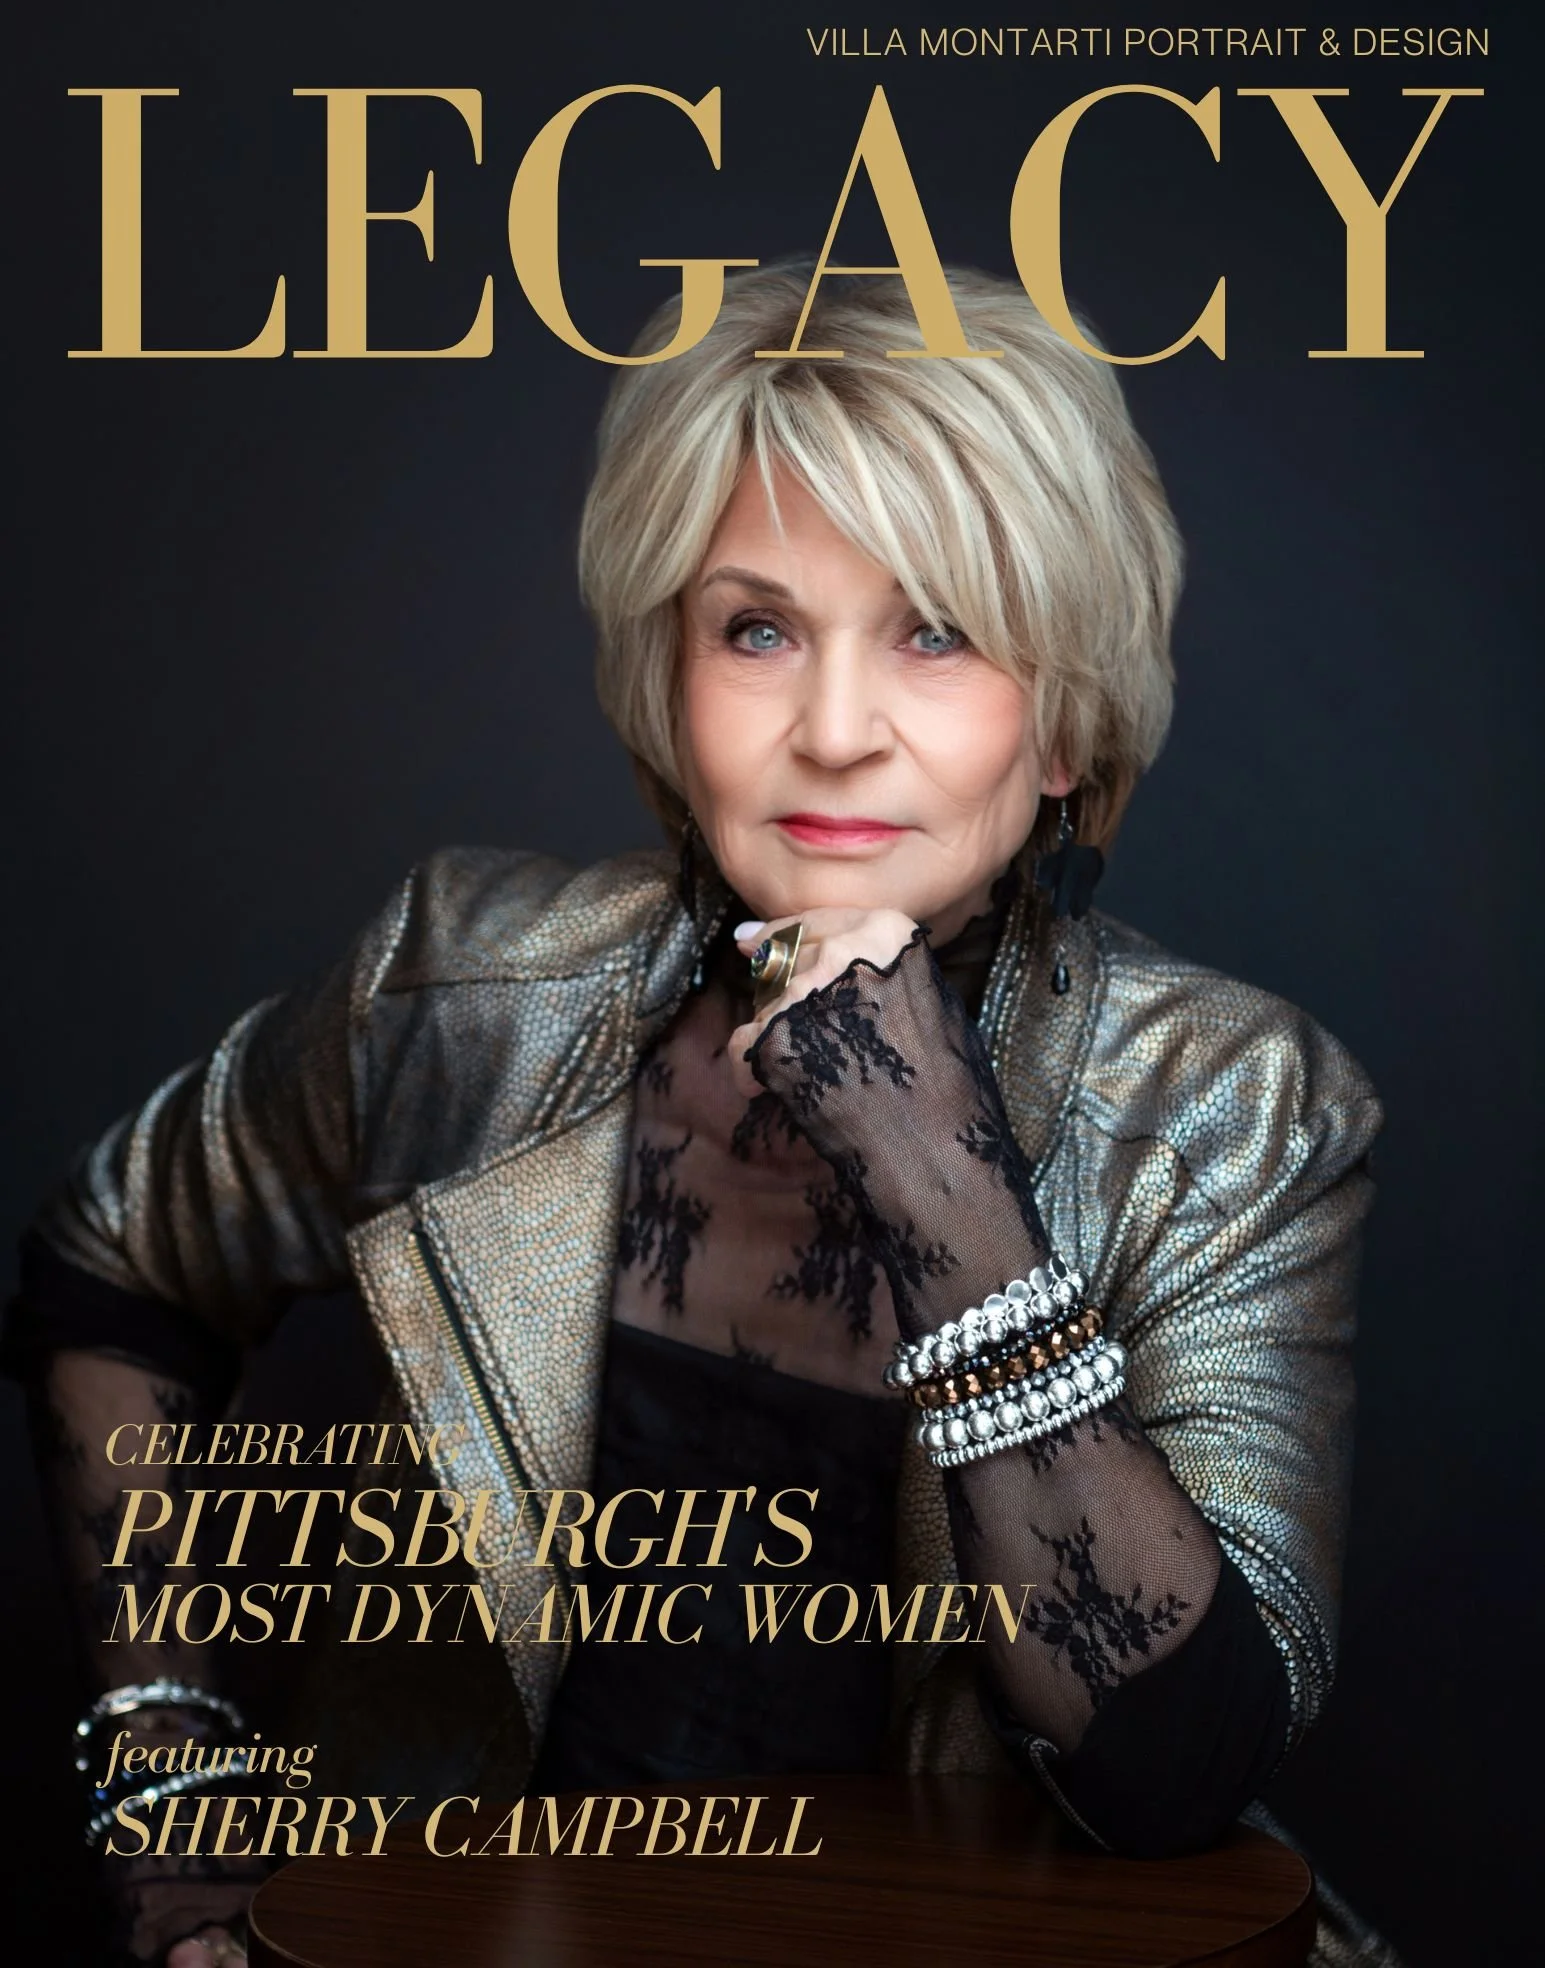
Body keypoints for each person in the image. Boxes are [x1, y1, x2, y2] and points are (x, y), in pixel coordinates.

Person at [3, 263, 1402, 1967]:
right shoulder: (461, 986)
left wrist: (929, 1154)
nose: (828, 731)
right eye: (757, 629)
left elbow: (1177, 1769)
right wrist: (167, 1779)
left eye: (937, 631)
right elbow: (109, 1265)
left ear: (1064, 726)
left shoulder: (1235, 1108)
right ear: (672, 680)